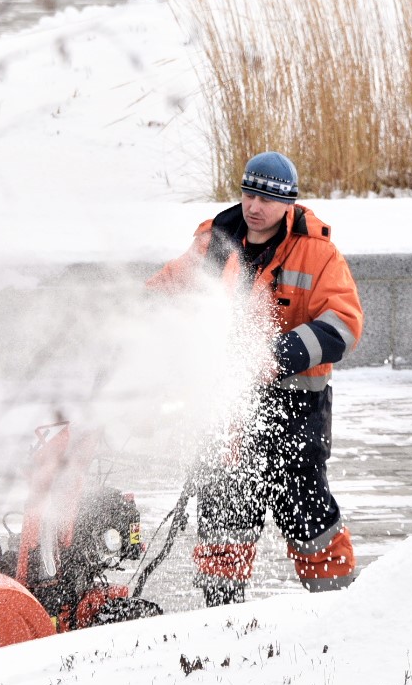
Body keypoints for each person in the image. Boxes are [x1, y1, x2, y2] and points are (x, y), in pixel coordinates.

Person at [148, 151, 363, 606]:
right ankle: (223, 620)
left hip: (295, 409)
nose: (254, 206)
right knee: (224, 509)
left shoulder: (318, 252)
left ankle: (338, 605)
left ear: (288, 203)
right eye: (249, 193)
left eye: (266, 197)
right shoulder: (214, 241)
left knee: (306, 509)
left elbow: (344, 324)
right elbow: (170, 288)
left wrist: (275, 355)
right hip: (229, 406)